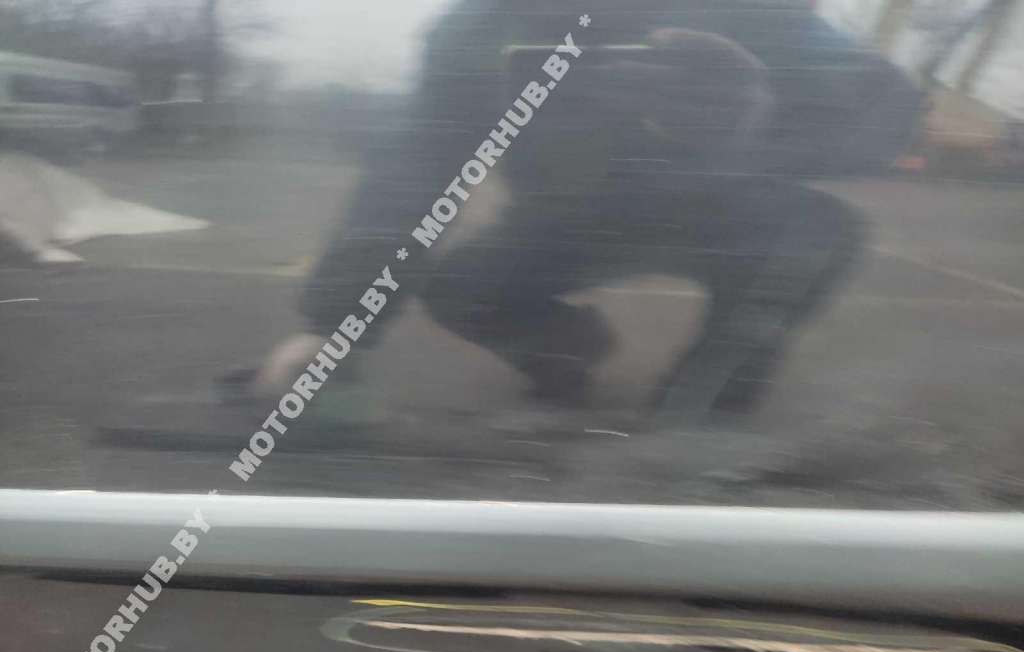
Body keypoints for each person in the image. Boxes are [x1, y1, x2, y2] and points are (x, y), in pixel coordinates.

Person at [224, 0, 922, 421]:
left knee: (810, 237)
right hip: (570, 221)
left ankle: (709, 402)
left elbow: (881, 108)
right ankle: (567, 348)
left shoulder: (750, 9)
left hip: (729, 210)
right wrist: (333, 329)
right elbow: (418, 169)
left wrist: (766, 119)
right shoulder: (479, 28)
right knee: (462, 287)